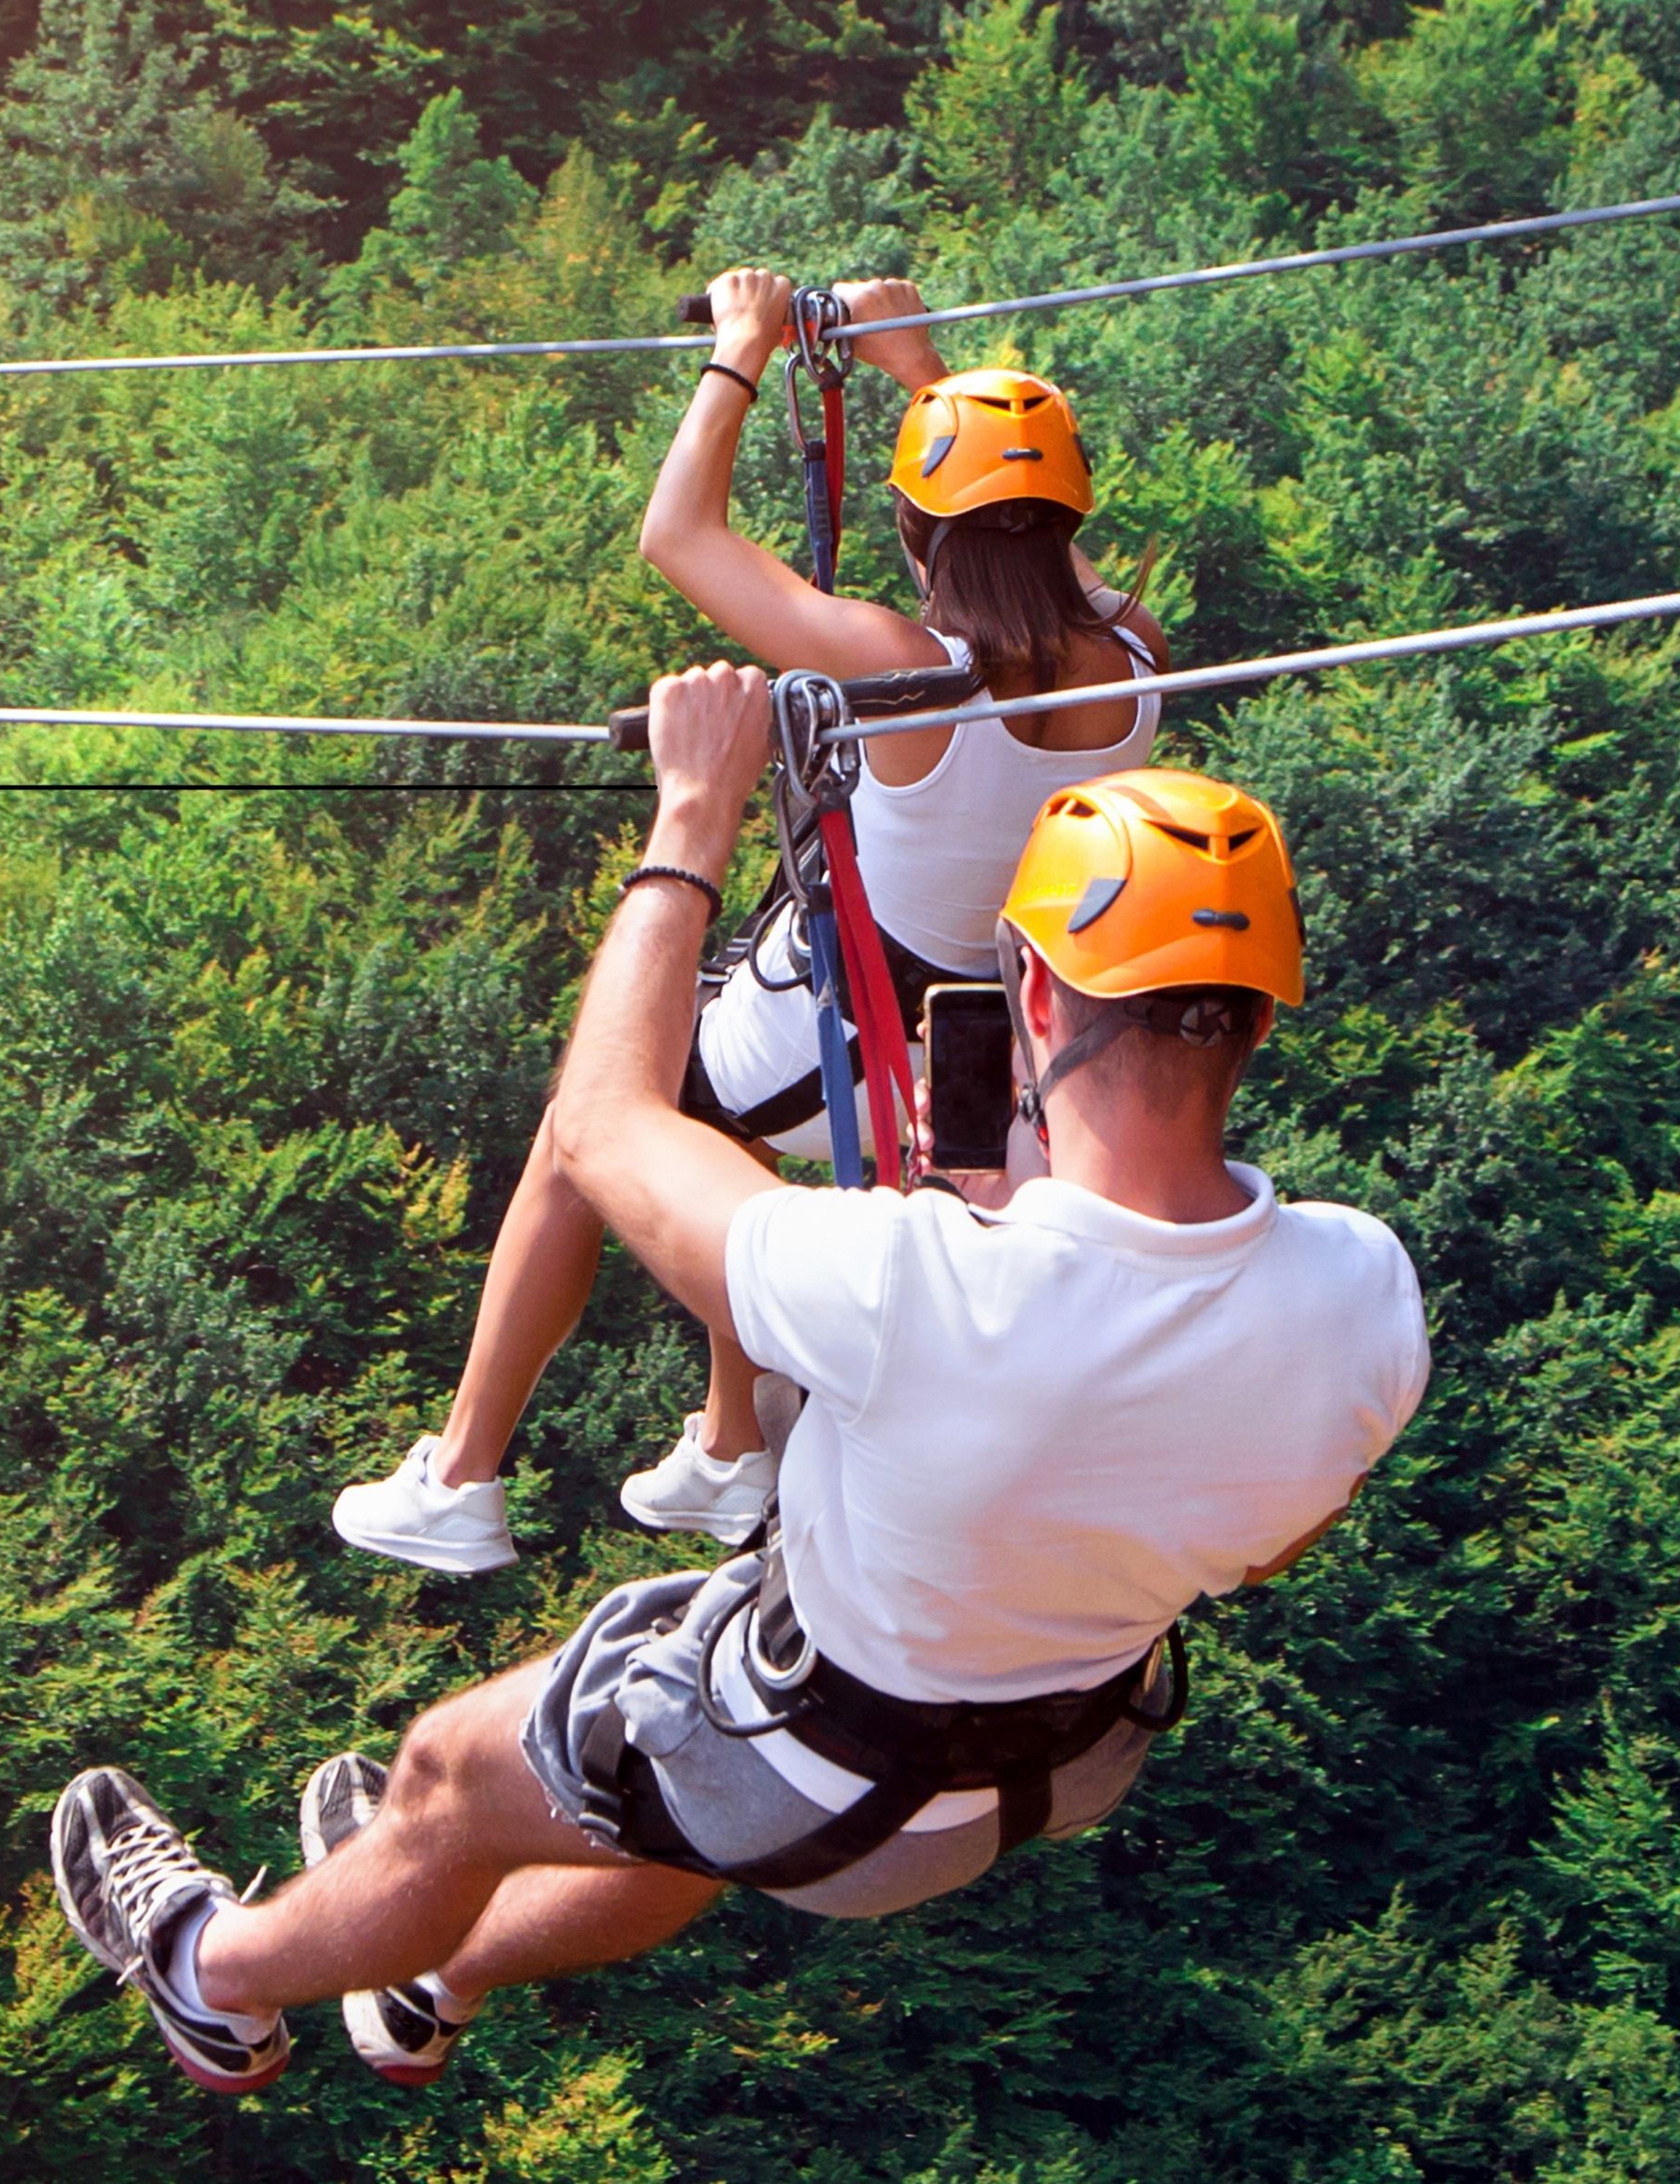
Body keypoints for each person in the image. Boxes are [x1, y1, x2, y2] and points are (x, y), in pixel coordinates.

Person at [53, 663, 1427, 2097]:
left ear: (1028, 984)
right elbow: (1273, 1542)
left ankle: (210, 1978)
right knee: (672, 1804)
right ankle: (433, 1980)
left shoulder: (910, 1282)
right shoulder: (1363, 1296)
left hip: (822, 1763)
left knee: (450, 1780)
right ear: (1262, 1017)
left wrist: (693, 817)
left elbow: (600, 1125)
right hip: (1054, 1762)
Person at [333, 267, 1173, 1572]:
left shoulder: (901, 667)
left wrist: (739, 350)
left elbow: (679, 536)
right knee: (729, 1134)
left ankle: (462, 1475)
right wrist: (920, 369)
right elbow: (1034, 543)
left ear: (916, 526)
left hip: (851, 1022)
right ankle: (733, 1447)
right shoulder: (1138, 655)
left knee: (587, 1124)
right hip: (984, 1044)